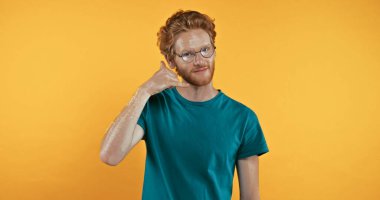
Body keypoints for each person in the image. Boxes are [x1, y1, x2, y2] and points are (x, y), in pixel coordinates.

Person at [100, 10, 269, 200]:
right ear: (172, 61)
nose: (200, 61)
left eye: (205, 49)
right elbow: (110, 156)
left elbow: (251, 197)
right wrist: (144, 91)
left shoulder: (243, 119)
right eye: (188, 54)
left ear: (214, 50)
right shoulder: (153, 106)